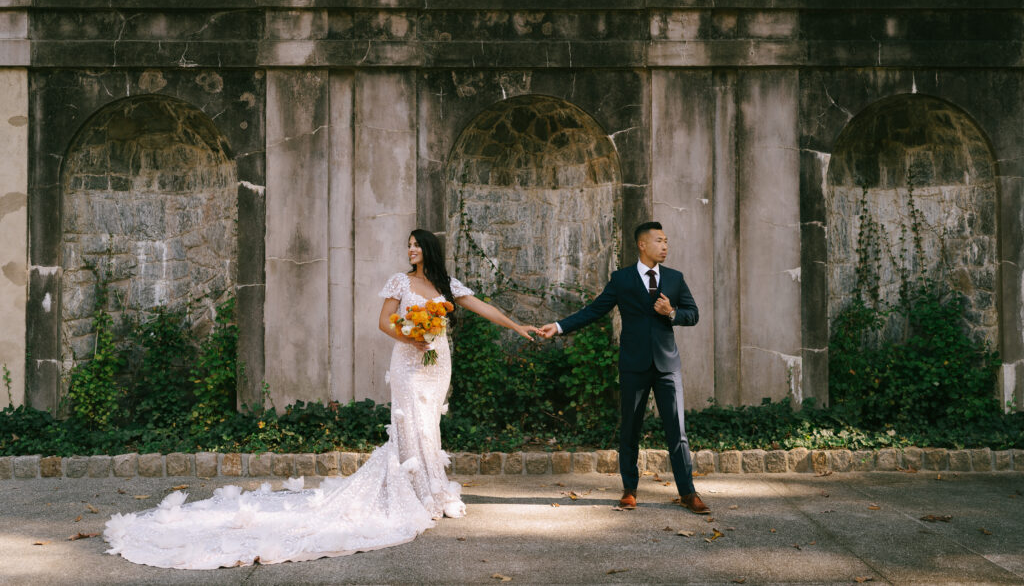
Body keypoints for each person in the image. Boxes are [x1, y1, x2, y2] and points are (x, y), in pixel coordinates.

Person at [103, 229, 538, 570]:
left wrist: (518, 328)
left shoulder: (446, 283)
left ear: (429, 250)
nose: (410, 252)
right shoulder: (399, 282)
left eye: (415, 247)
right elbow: (383, 322)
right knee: (412, 422)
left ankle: (436, 490)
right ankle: (424, 492)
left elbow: (483, 307)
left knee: (432, 423)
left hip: (437, 362)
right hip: (409, 359)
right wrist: (413, 334)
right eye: (407, 246)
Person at [539, 222, 707, 514]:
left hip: (668, 366)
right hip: (633, 365)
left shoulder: (675, 278)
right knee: (630, 429)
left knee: (677, 432)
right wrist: (558, 326)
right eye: (659, 241)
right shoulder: (622, 279)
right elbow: (594, 310)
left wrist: (673, 313)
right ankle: (629, 489)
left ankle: (688, 492)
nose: (665, 246)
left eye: (667, 241)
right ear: (642, 245)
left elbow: (693, 315)